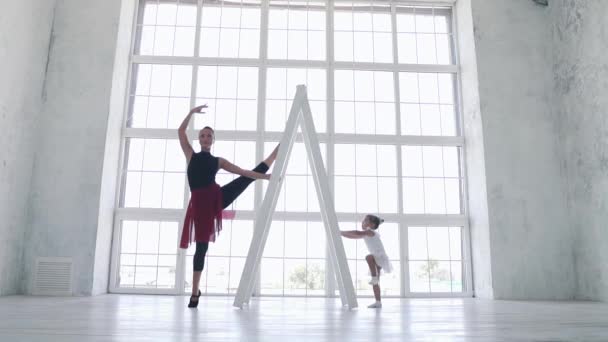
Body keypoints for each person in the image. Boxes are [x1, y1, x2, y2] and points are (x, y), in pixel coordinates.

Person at [178, 104, 280, 308]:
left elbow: (243, 172)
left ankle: (278, 150)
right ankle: (195, 292)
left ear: (213, 140)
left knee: (245, 179)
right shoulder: (191, 155)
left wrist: (266, 177)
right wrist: (191, 113)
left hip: (217, 197)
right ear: (199, 139)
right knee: (201, 249)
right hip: (198, 206)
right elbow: (180, 132)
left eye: (209, 136)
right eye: (203, 135)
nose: (206, 138)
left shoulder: (218, 161)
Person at [340, 214, 393, 308]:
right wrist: (343, 235)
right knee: (376, 282)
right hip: (377, 257)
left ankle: (374, 277)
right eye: (363, 220)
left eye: (365, 221)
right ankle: (378, 302)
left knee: (368, 257)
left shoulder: (370, 232)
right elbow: (354, 236)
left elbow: (357, 233)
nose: (362, 222)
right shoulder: (367, 234)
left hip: (379, 256)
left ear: (372, 225)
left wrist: (341, 232)